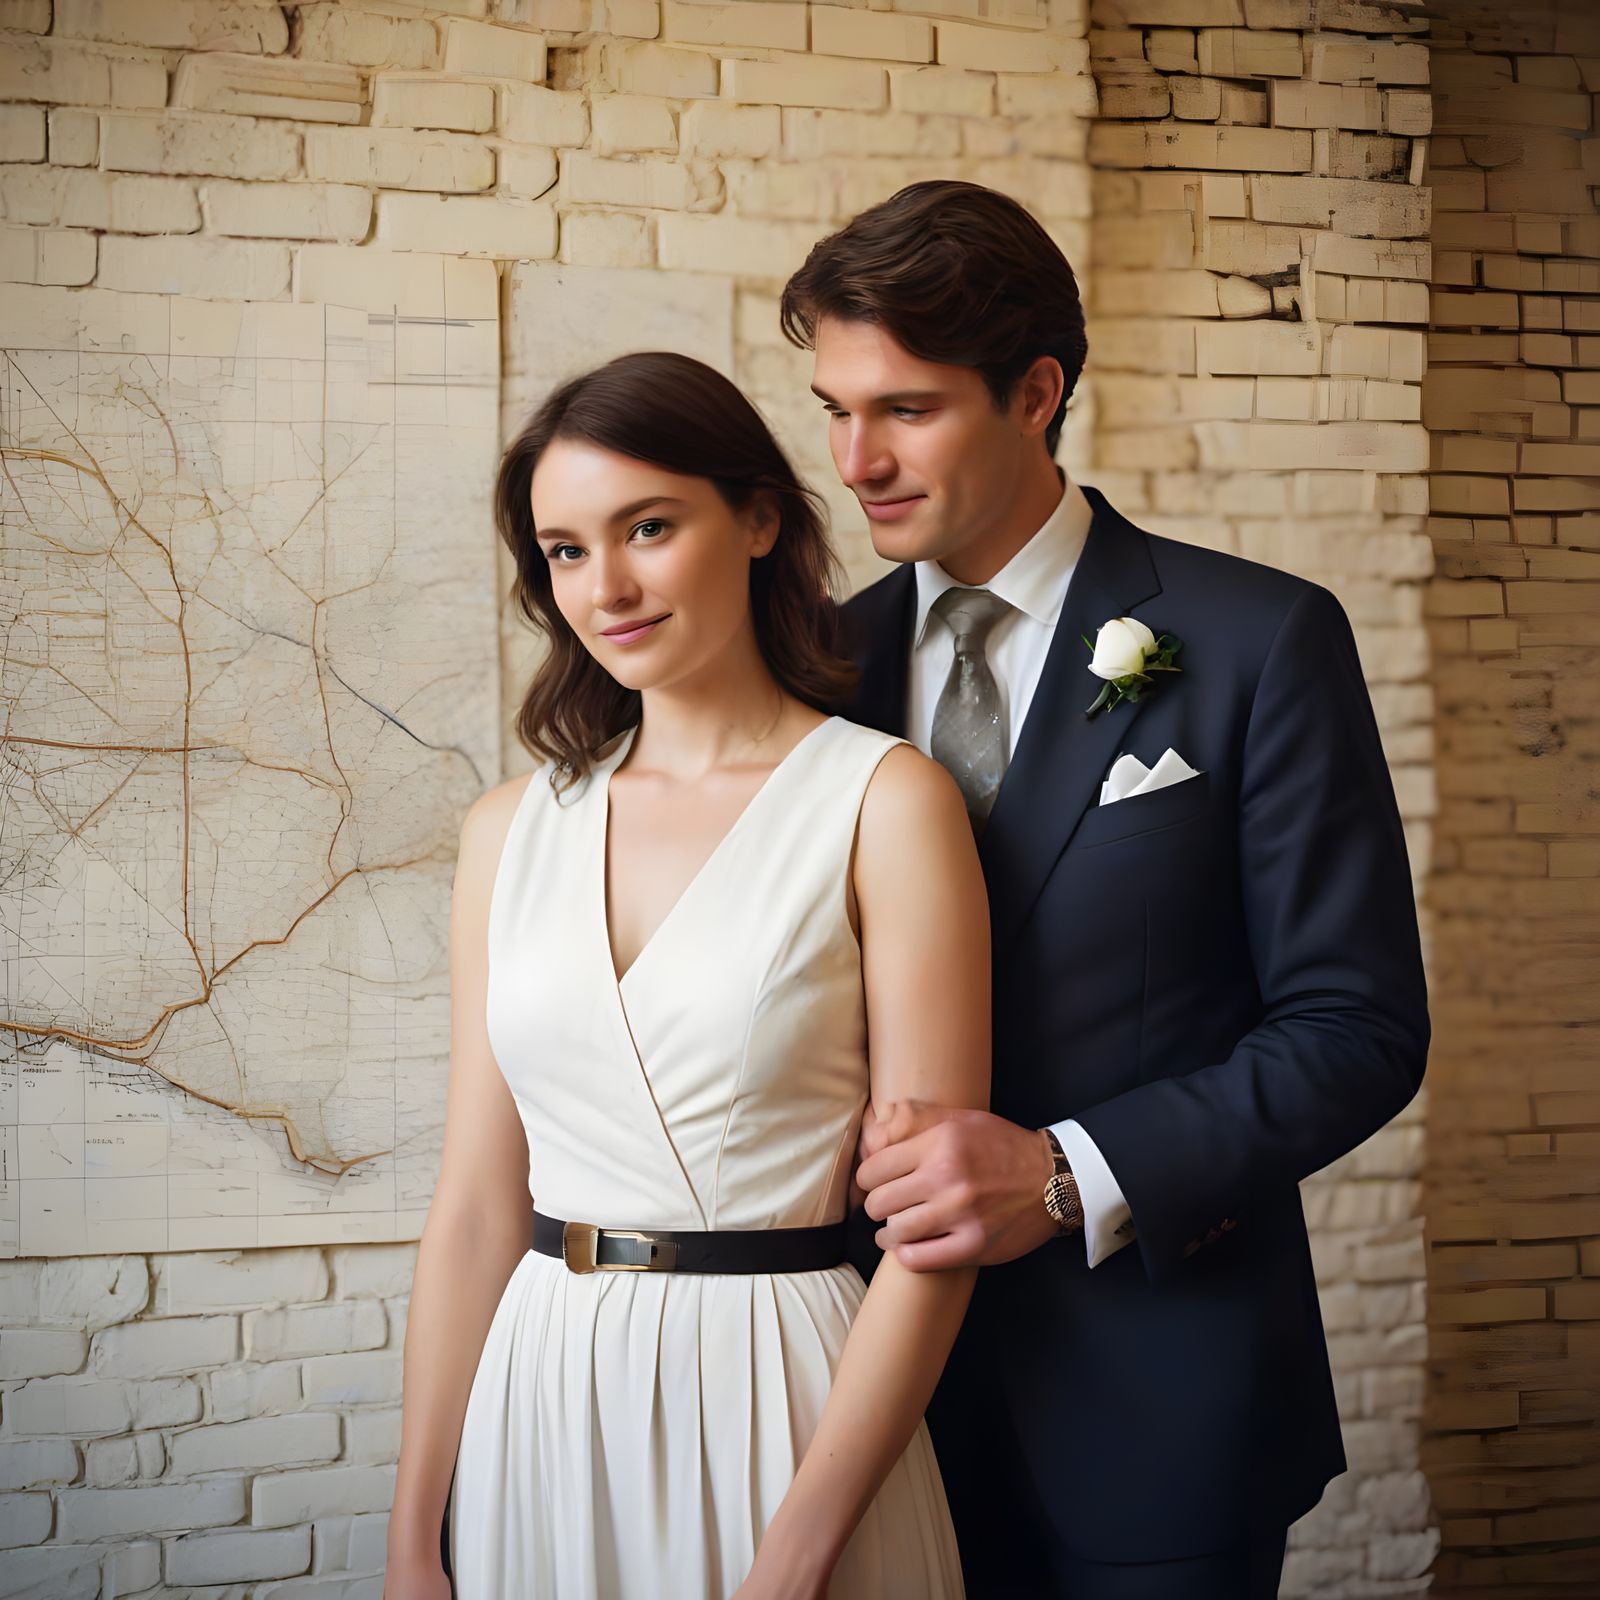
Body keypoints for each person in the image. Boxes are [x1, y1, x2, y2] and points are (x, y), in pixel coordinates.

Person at [779, 180, 1431, 1600]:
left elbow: (1358, 1029)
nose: (855, 459)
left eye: (905, 409)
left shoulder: (1260, 641)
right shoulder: (812, 668)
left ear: (1035, 392)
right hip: (860, 1405)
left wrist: (1069, 1176)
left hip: (1161, 1396)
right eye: (834, 407)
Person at [382, 350, 985, 1600]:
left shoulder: (883, 801)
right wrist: (412, 1535)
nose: (606, 586)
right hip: (541, 1396)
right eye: (563, 550)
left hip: (784, 1398)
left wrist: (796, 1556)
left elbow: (935, 1236)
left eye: (647, 527)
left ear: (759, 516)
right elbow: (478, 1210)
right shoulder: (509, 828)